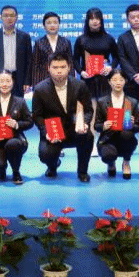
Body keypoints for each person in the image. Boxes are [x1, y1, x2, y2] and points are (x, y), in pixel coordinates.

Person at [32, 53, 95, 182]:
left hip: (74, 130)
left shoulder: (80, 86)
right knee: (45, 154)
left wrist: (84, 123)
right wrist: (46, 132)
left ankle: (82, 171)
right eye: (55, 67)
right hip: (53, 132)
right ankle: (53, 166)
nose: (59, 71)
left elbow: (88, 110)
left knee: (88, 136)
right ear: (48, 68)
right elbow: (37, 116)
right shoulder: (40, 89)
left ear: (69, 67)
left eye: (62, 67)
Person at [0, 70, 32, 184]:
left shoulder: (20, 102)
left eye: (8, 81)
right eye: (1, 81)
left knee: (12, 144)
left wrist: (17, 124)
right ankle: (1, 169)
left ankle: (16, 171)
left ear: (13, 82)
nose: (4, 84)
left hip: (15, 139)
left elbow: (30, 122)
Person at [94, 68, 139, 179]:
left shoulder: (132, 102)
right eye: (114, 80)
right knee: (108, 155)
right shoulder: (102, 102)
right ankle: (111, 163)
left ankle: (126, 162)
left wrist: (133, 124)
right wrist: (104, 126)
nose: (118, 83)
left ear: (125, 81)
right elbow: (96, 125)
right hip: (108, 138)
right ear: (109, 82)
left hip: (125, 138)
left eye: (121, 80)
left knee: (127, 134)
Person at [0, 5, 32, 98]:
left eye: (12, 15)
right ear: (1, 17)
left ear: (16, 17)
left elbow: (28, 61)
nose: (9, 18)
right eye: (5, 15)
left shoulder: (25, 37)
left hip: (18, 79)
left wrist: (27, 81)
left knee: (18, 105)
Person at [31, 11, 73, 87]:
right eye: (49, 23)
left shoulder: (66, 42)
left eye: (55, 22)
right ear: (44, 26)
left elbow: (70, 63)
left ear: (59, 25)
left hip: (63, 80)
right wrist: (36, 85)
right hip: (43, 80)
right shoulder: (39, 43)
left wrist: (71, 82)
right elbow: (35, 65)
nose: (52, 25)